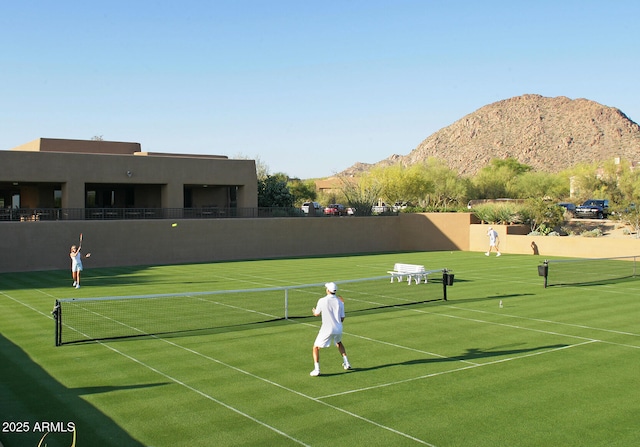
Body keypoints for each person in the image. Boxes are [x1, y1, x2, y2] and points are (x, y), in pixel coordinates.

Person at [310, 282, 351, 376]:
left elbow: (316, 314)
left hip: (326, 329)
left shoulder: (322, 300)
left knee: (315, 347)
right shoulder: (340, 302)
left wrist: (313, 311)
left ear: (328, 290)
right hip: (338, 328)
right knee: (339, 343)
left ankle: (317, 370)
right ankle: (347, 363)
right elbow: (342, 318)